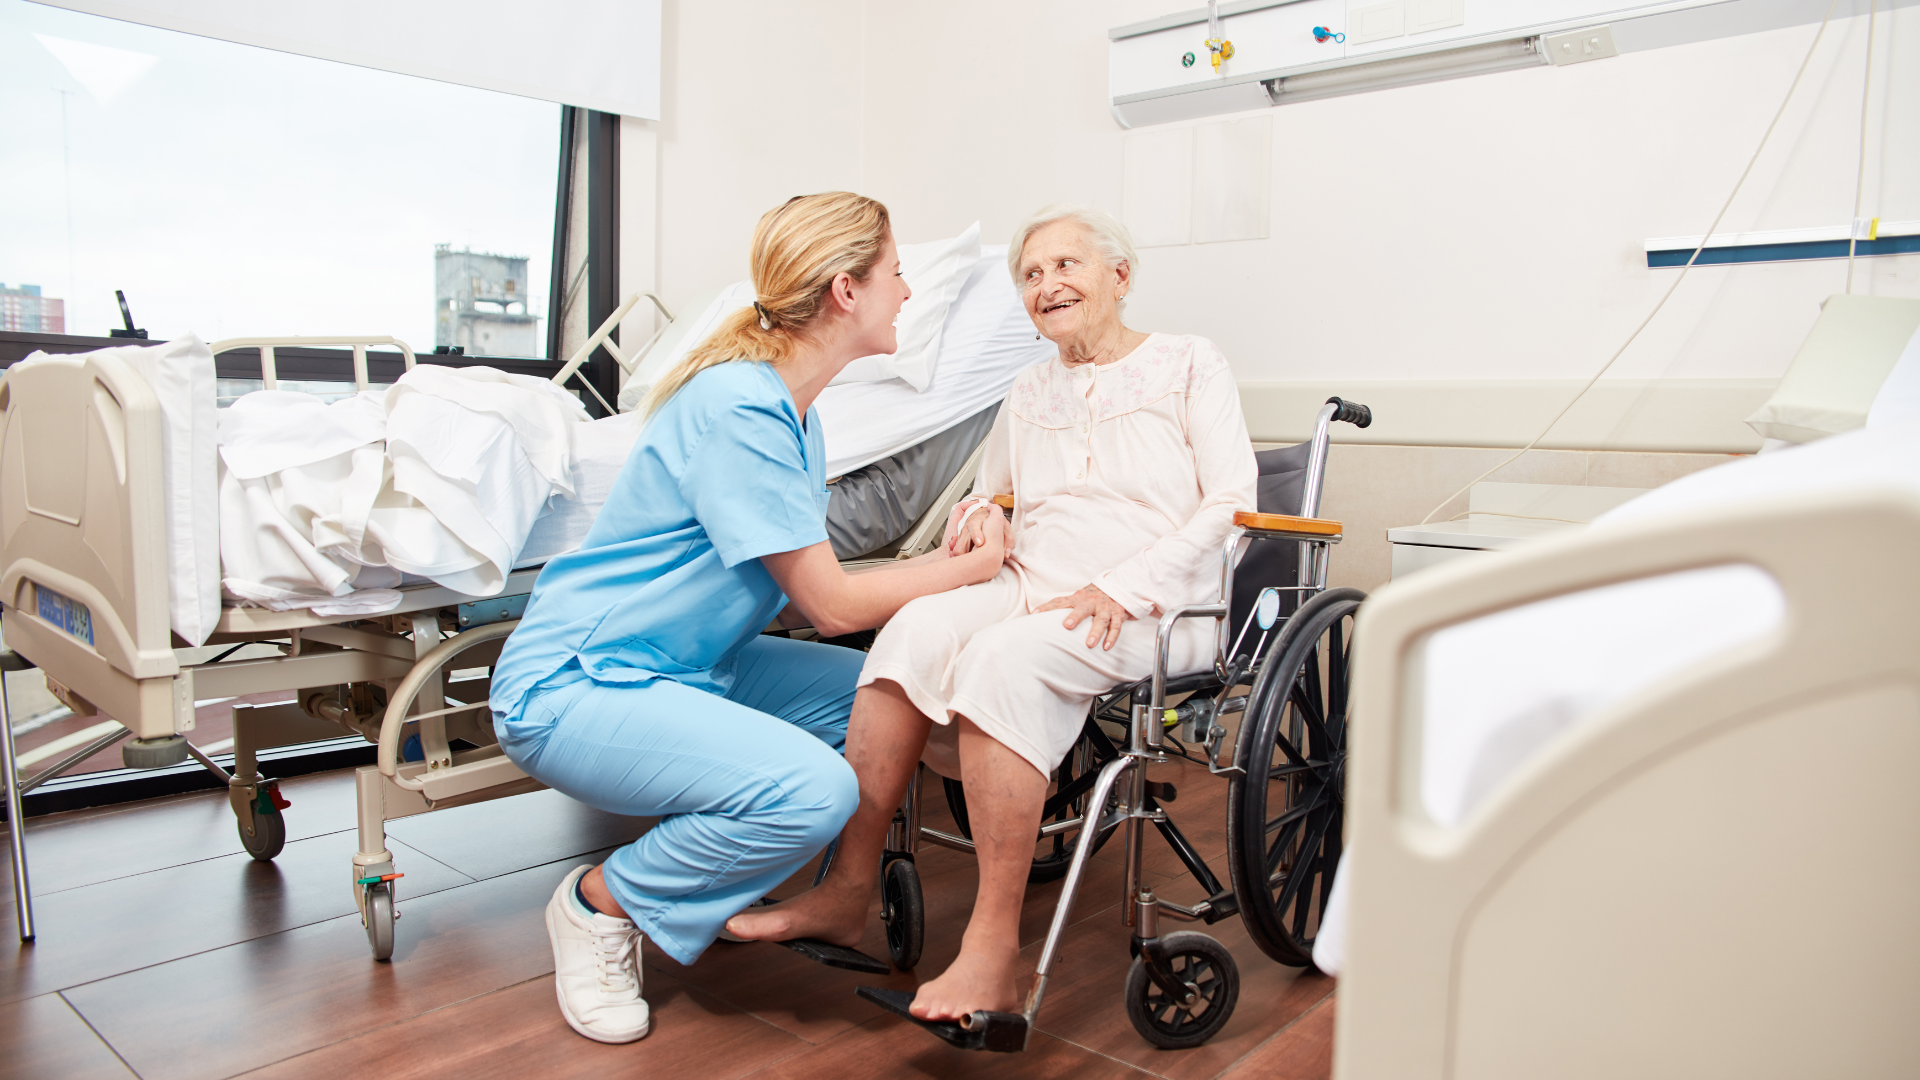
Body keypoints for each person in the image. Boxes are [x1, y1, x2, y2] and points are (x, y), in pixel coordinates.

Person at [487, 192, 1010, 1045]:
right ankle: (599, 904)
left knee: (890, 692)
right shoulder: (740, 407)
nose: (908, 291)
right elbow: (830, 606)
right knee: (812, 792)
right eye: (896, 273)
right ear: (846, 290)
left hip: (688, 666)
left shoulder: (798, 413)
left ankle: (800, 890)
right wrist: (967, 569)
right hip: (576, 683)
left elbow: (805, 584)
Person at [728, 205, 1258, 1021]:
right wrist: (982, 516)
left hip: (1153, 604)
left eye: (1066, 265)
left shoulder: (1190, 363)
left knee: (1002, 658)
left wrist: (1124, 586)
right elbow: (991, 491)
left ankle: (992, 951)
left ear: (1120, 276)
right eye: (1031, 275)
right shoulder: (1029, 385)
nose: (1047, 285)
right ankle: (846, 888)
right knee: (910, 632)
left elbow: (1231, 505)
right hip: (1032, 580)